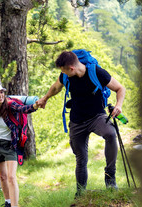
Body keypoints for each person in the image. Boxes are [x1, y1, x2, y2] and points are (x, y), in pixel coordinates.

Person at [37, 51, 126, 196]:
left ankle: (110, 178)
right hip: (77, 120)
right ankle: (80, 192)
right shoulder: (66, 76)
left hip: (97, 116)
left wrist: (119, 105)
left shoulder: (97, 73)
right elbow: (55, 87)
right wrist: (45, 98)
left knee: (110, 134)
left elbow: (120, 88)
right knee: (81, 157)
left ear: (71, 68)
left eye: (63, 70)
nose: (62, 74)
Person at [0, 83, 39, 207]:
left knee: (11, 176)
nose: (0, 96)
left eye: (1, 92)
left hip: (11, 145)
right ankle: (7, 204)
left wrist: (35, 106)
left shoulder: (10, 105)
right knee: (3, 177)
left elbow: (23, 109)